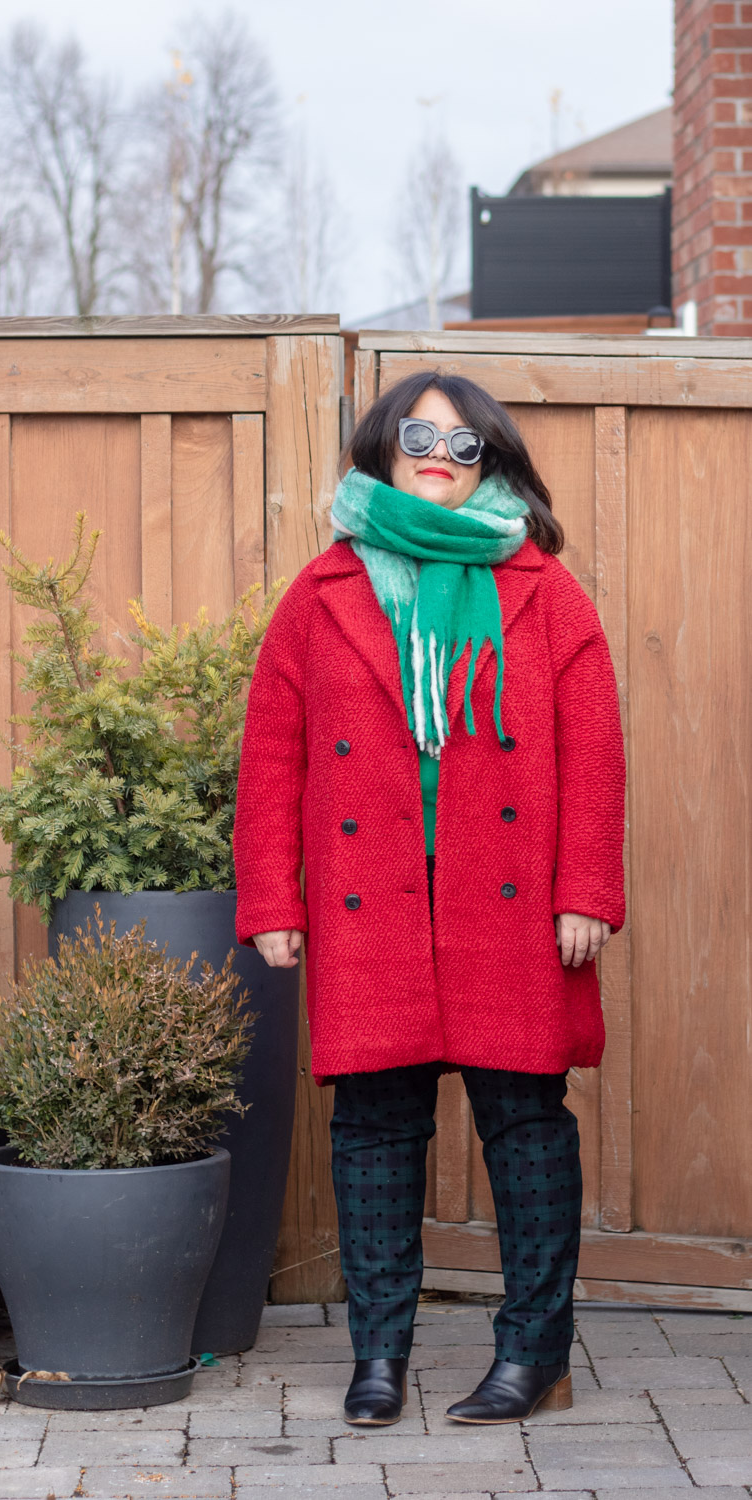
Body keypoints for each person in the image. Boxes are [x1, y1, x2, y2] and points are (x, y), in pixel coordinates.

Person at [233, 371, 626, 1428]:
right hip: (378, 906)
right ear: (381, 446)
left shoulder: (543, 590)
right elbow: (272, 757)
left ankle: (533, 1355)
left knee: (525, 1124)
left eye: (462, 446)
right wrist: (273, 896)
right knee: (372, 1128)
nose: (437, 458)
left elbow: (591, 751)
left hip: (509, 907)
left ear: (488, 463)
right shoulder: (321, 593)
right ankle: (377, 1359)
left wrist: (584, 887)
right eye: (418, 437)